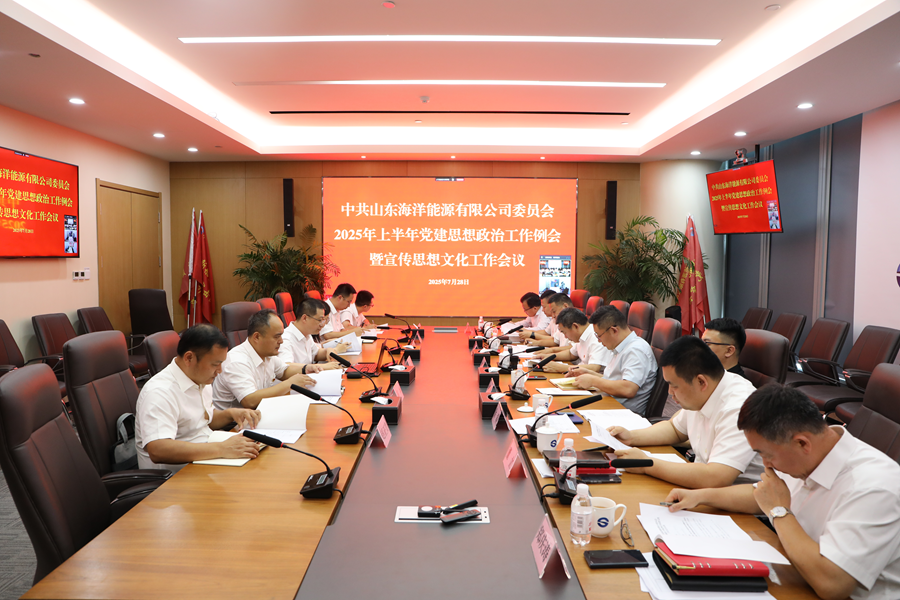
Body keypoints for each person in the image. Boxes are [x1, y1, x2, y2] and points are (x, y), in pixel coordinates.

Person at [666, 384, 900, 600]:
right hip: (798, 572)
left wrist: (779, 511)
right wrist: (701, 496)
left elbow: (832, 585)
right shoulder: (811, 454)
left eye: (767, 455)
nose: (766, 464)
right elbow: (762, 494)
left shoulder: (874, 487)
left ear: (802, 443)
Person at [608, 336, 762, 487]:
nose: (669, 392)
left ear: (701, 382)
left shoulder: (738, 408)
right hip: (704, 484)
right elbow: (675, 429)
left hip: (738, 497)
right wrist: (631, 437)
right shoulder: (703, 392)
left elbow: (716, 477)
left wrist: (646, 464)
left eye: (674, 386)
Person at [135, 324, 263, 471]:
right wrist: (222, 449)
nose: (220, 371)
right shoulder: (159, 392)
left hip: (205, 458)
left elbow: (202, 420)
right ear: (189, 358)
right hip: (176, 475)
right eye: (215, 364)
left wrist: (231, 414)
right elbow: (158, 449)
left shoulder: (200, 378)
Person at [212, 309, 315, 410]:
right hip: (234, 420)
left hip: (258, 413)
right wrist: (289, 384)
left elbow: (284, 370)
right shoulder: (237, 361)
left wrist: (306, 368)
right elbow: (249, 400)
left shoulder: (266, 354)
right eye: (277, 336)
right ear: (257, 337)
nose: (281, 341)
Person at [568, 305, 656, 414]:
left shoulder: (636, 350)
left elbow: (628, 389)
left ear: (614, 330)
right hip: (609, 404)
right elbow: (614, 381)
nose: (599, 341)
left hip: (622, 413)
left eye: (599, 336)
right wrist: (589, 373)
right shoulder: (620, 347)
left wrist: (593, 380)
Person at [279, 297, 346, 369]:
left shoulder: (307, 334)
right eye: (319, 320)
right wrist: (321, 367)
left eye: (323, 320)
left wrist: (327, 351)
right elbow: (286, 367)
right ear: (304, 318)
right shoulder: (286, 339)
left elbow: (316, 354)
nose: (322, 324)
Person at [542, 307, 609, 373]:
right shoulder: (581, 335)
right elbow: (570, 354)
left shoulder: (596, 337)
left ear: (575, 326)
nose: (565, 337)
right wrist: (549, 357)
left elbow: (594, 368)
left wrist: (560, 368)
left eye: (564, 332)